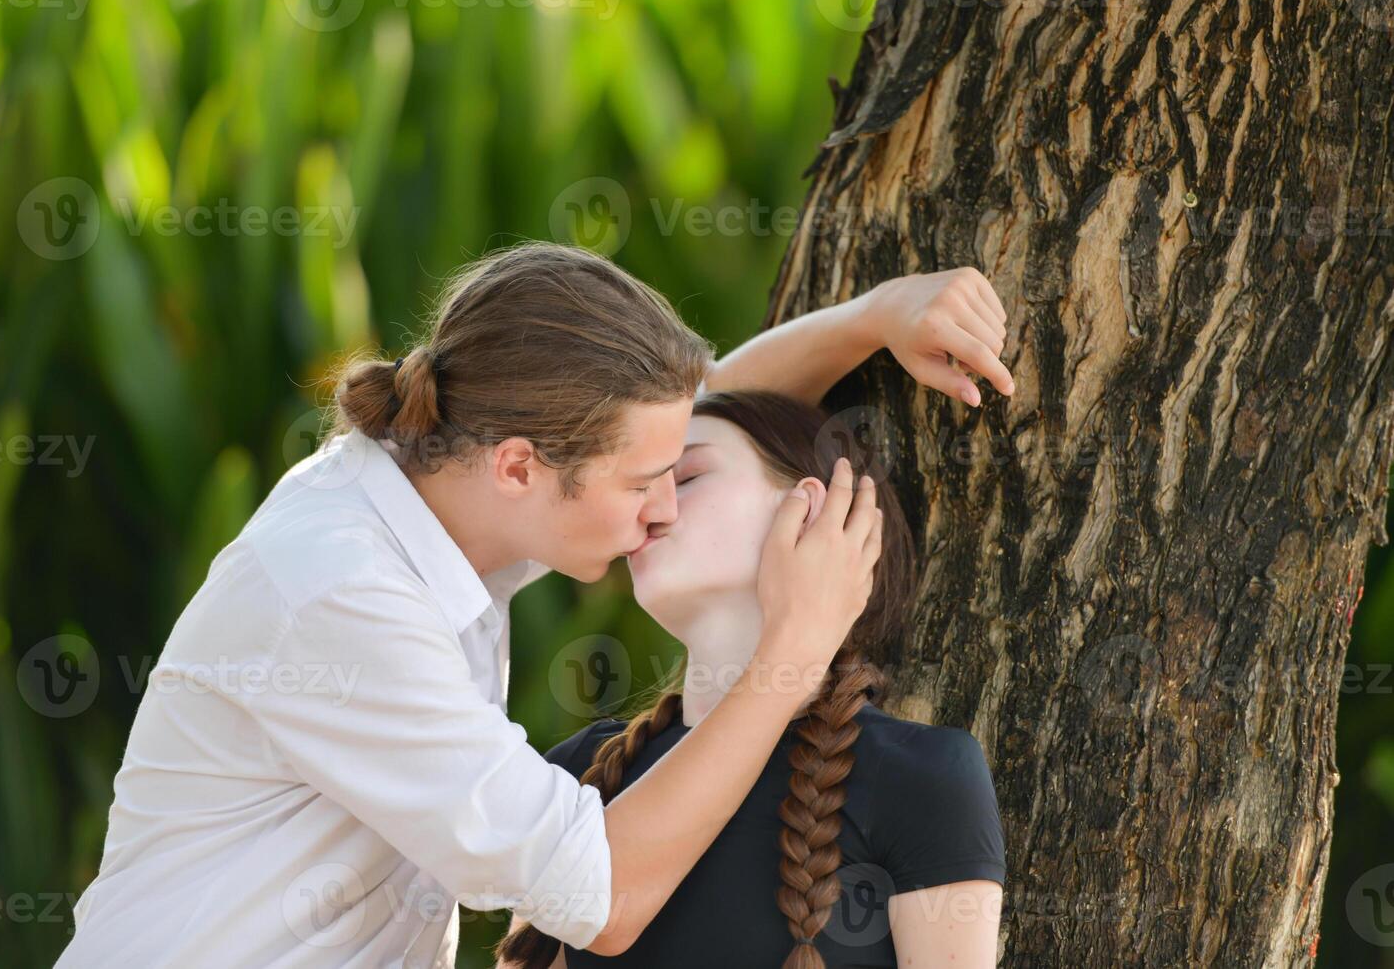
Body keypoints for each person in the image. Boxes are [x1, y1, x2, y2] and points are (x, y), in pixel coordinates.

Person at [57, 241, 1013, 968]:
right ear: (520, 466)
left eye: (684, 476)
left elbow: (713, 418)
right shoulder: (345, 591)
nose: (662, 509)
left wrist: (878, 318)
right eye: (650, 482)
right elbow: (607, 890)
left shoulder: (449, 489)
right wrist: (795, 647)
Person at [496, 390, 1006, 969]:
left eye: (684, 476)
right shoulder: (577, 772)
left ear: (813, 511)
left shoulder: (922, 776)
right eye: (639, 485)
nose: (647, 507)